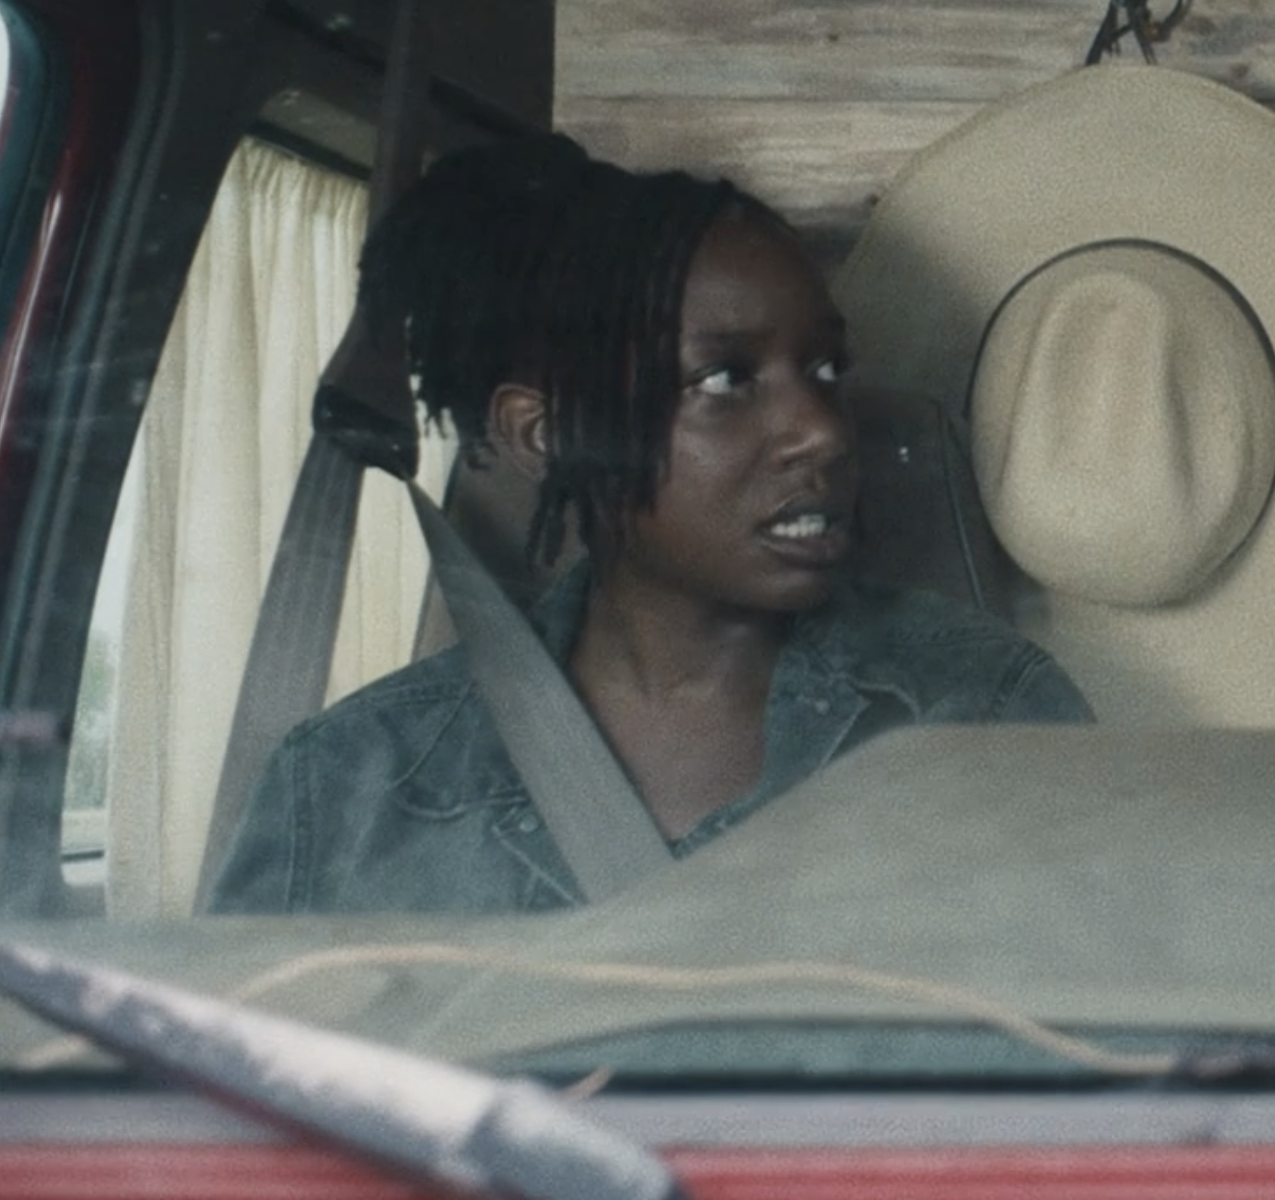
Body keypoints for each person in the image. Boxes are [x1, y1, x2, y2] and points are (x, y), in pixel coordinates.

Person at [207, 139, 1092, 914]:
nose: (822, 428)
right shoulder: (349, 790)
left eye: (824, 367)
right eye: (723, 380)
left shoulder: (990, 711)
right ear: (546, 436)